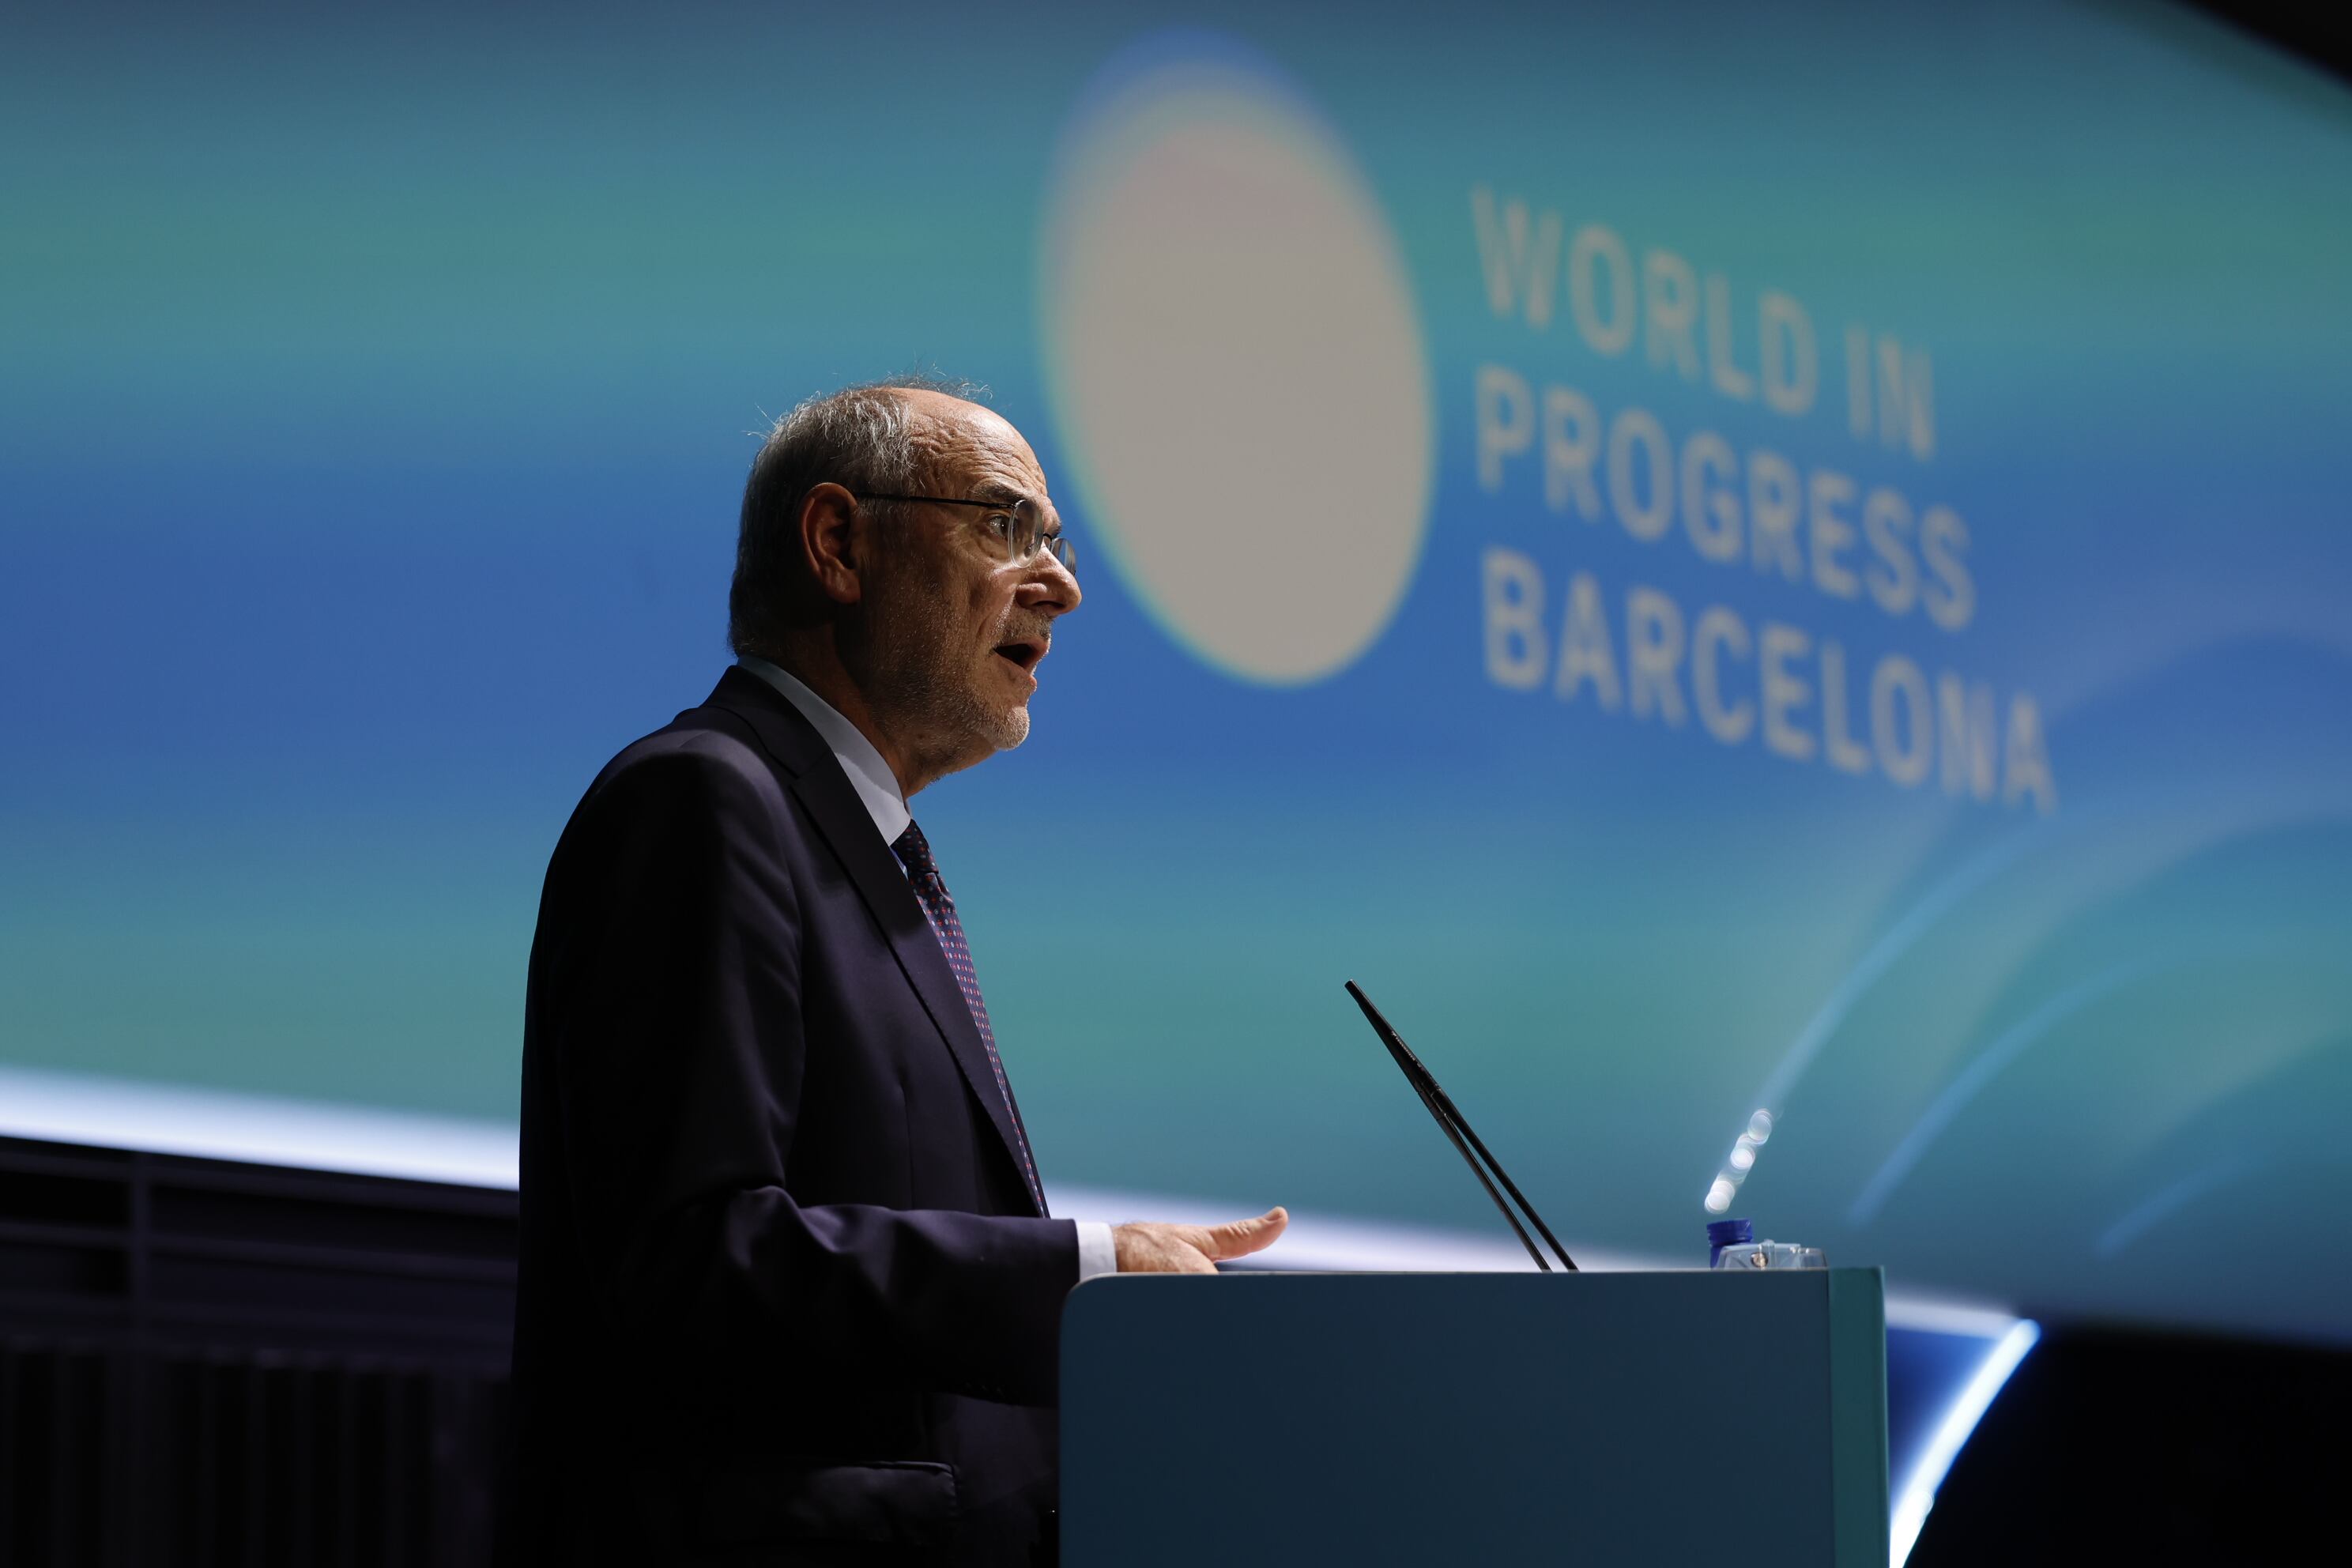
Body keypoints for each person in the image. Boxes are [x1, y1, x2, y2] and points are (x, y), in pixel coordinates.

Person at [503, 377, 1288, 1566]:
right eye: (1005, 525)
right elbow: (692, 1262)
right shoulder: (704, 801)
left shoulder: (860, 846)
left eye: (1059, 544)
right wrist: (1081, 1271)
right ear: (838, 545)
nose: (1064, 586)